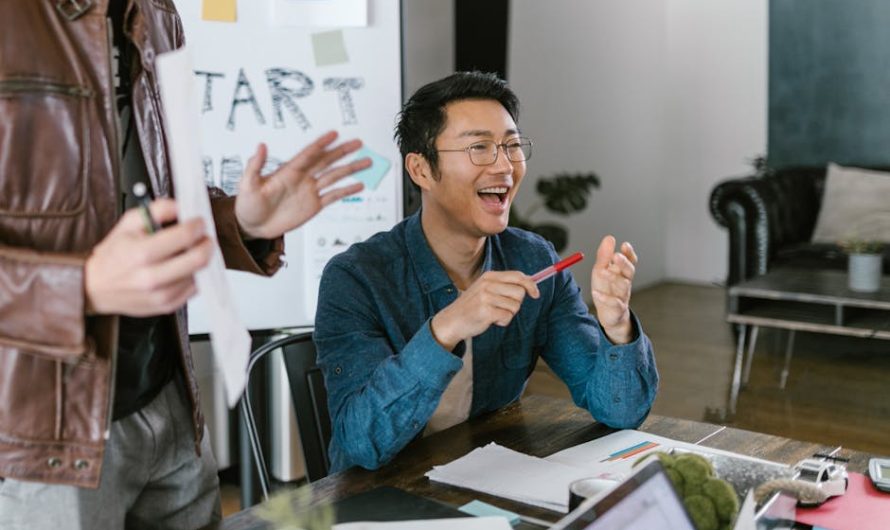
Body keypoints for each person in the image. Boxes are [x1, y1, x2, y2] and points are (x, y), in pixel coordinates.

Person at [0, 2, 368, 529]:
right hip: (45, 431)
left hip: (168, 394)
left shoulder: (155, 12)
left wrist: (240, 220)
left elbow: (154, 199)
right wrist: (82, 286)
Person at [314, 71, 659, 474]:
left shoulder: (533, 259)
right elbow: (361, 444)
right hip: (378, 497)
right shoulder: (356, 278)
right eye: (479, 147)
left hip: (485, 476)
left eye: (512, 146)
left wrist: (617, 327)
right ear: (421, 169)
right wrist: (447, 328)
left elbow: (620, 412)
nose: (505, 166)